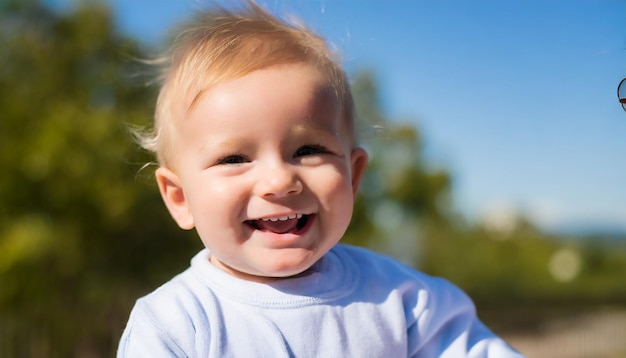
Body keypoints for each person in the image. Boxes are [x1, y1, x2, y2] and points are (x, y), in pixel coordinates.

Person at [118, 1, 524, 357]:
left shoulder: (401, 301)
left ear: (354, 175)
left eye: (308, 151)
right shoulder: (175, 325)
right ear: (180, 198)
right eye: (235, 158)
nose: (279, 180)